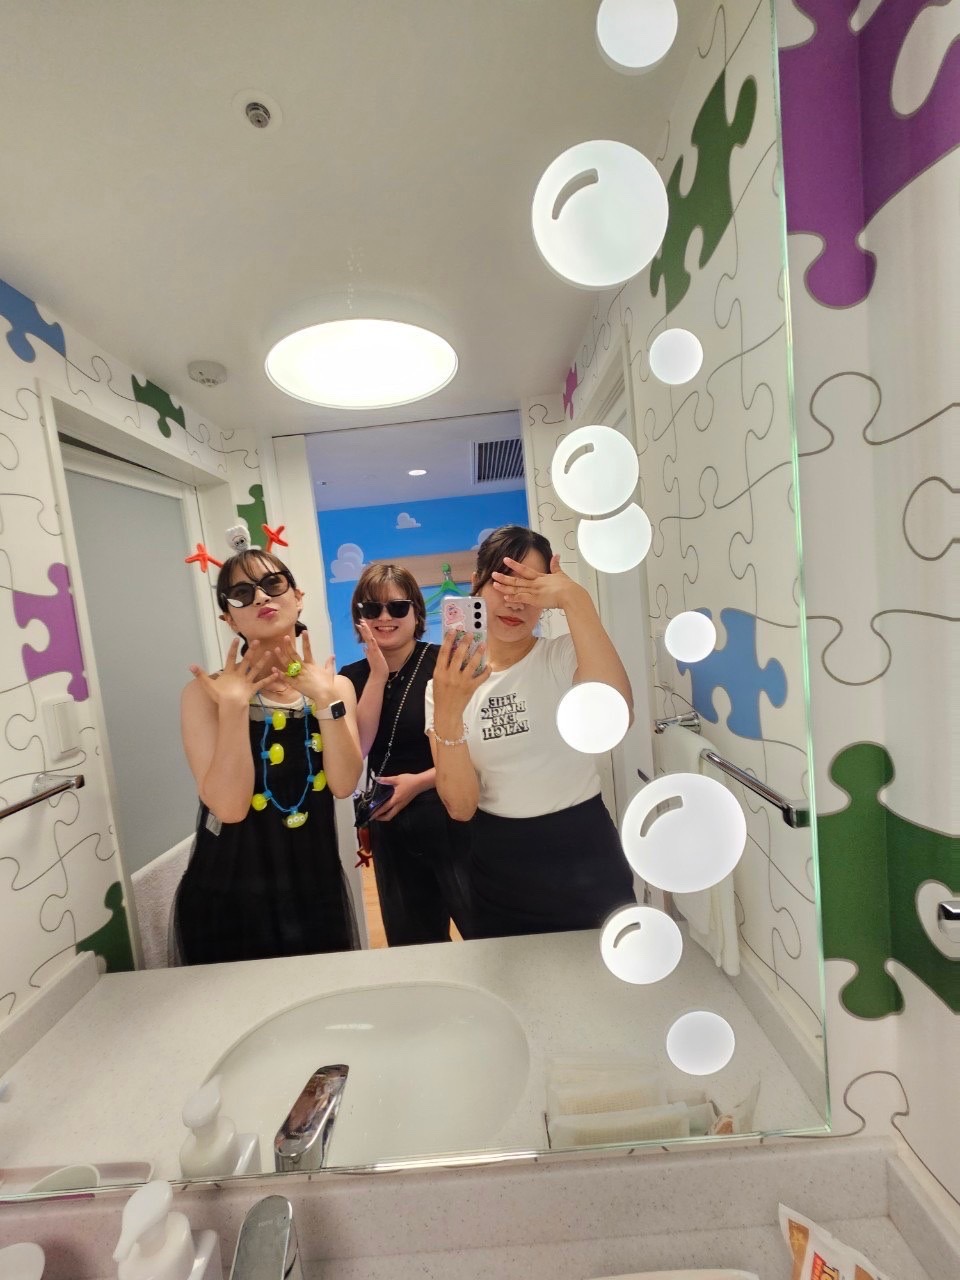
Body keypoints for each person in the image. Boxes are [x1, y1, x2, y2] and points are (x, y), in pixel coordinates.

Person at [426, 525, 635, 938]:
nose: (515, 600)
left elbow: (619, 716)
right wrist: (449, 709)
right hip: (500, 869)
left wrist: (575, 599)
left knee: (609, 972)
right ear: (477, 583)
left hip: (587, 856)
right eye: (503, 582)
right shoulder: (446, 685)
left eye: (529, 586)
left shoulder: (564, 655)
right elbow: (461, 807)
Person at [174, 547, 363, 964]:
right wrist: (233, 709)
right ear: (229, 618)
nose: (260, 597)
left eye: (272, 584)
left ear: (297, 596)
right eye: (242, 593)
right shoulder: (205, 695)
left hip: (313, 885)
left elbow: (344, 784)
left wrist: (325, 701)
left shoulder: (336, 688)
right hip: (231, 891)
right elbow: (229, 807)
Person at [339, 564, 471, 945]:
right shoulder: (351, 677)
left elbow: (478, 745)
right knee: (412, 944)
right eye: (372, 608)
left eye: (397, 607)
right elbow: (358, 751)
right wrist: (377, 675)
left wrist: (420, 782)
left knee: (482, 928)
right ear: (360, 617)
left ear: (416, 613)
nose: (385, 617)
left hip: (452, 811)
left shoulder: (445, 663)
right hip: (392, 826)